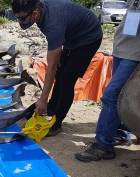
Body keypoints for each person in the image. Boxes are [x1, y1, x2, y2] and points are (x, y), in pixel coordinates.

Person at [12, 0, 103, 136]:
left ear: (35, 13)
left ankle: (57, 123)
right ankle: (51, 109)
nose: (20, 22)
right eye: (16, 17)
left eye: (22, 18)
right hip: (71, 36)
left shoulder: (53, 24)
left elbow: (51, 66)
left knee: (67, 79)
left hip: (88, 38)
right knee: (60, 75)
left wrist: (42, 99)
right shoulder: (40, 9)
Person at [75, 0, 140, 162]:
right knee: (118, 99)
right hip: (122, 50)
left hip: (134, 55)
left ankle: (103, 145)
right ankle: (120, 132)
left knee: (111, 96)